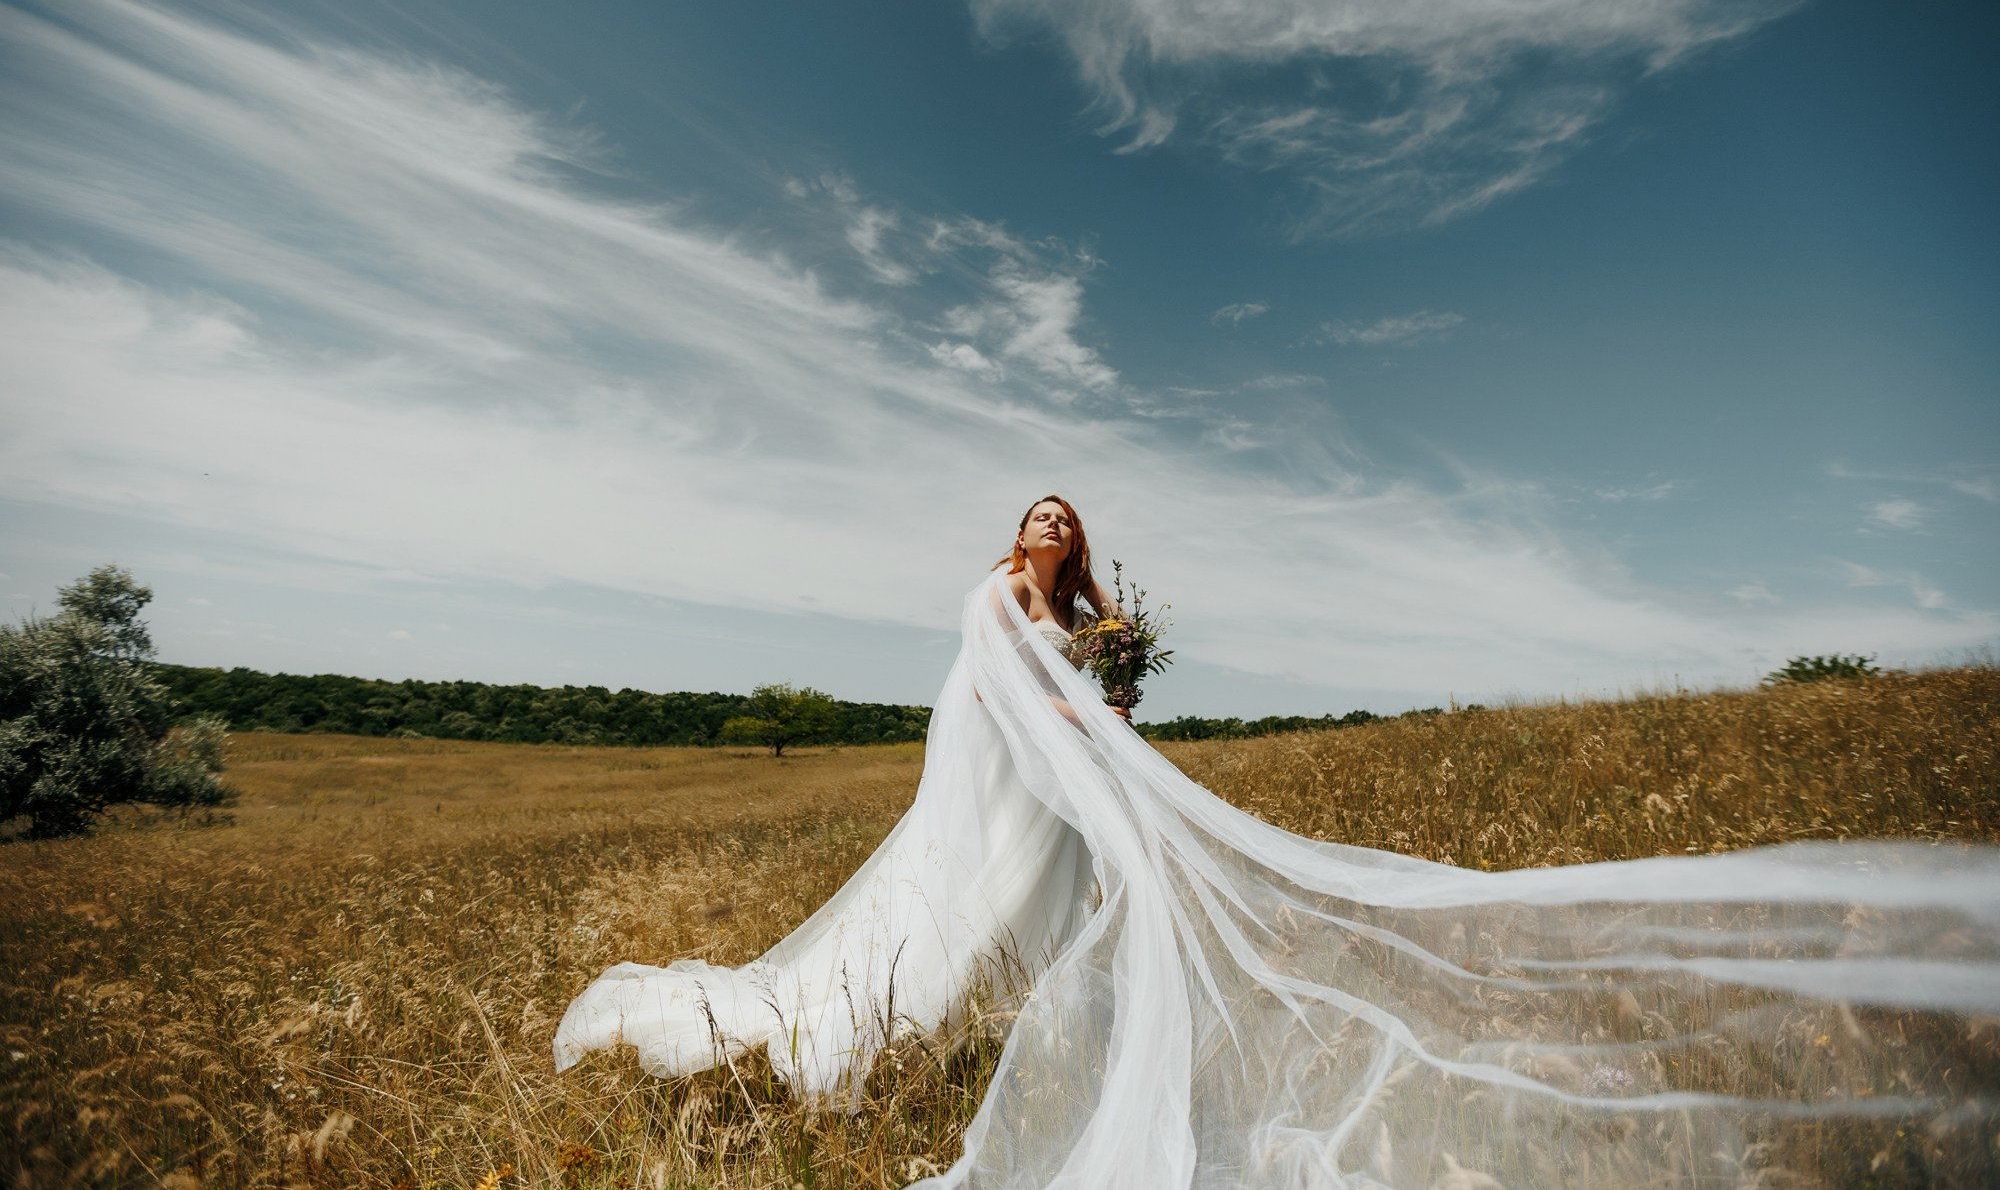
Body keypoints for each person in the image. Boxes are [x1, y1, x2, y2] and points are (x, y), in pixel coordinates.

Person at [554, 495, 2000, 1188]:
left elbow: (1083, 683)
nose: (1052, 528)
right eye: (1040, 513)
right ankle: (853, 1041)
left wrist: (1111, 684)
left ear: (1083, 542)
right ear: (1022, 532)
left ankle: (1056, 1033)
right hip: (994, 765)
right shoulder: (997, 594)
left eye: (1068, 518)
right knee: (960, 899)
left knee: (1070, 906)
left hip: (1061, 765)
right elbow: (1000, 683)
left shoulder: (1087, 617)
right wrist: (1078, 716)